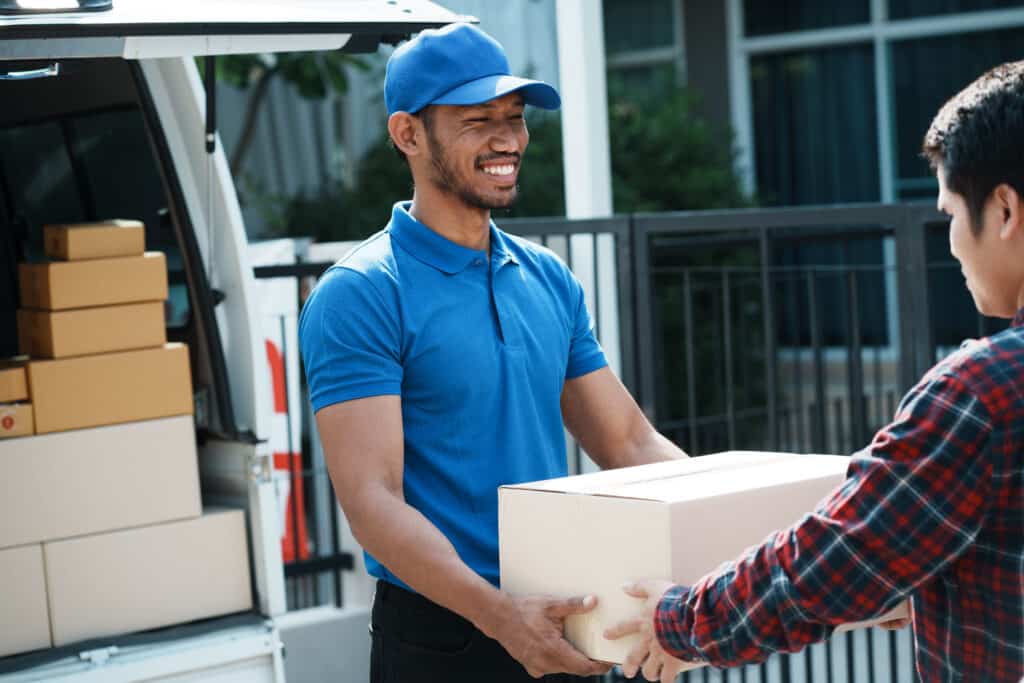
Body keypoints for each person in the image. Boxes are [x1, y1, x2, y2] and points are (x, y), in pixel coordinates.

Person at [606, 61, 1024, 683]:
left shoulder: (983, 393)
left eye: (948, 216)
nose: (953, 243)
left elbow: (835, 557)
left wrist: (679, 620)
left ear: (1005, 211)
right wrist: (928, 592)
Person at [298, 23, 687, 683]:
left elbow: (628, 440)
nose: (508, 138)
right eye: (478, 121)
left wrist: (732, 559)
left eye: (514, 117)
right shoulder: (362, 293)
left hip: (564, 619)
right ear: (408, 134)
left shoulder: (547, 277)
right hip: (442, 636)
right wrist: (501, 615)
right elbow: (373, 500)